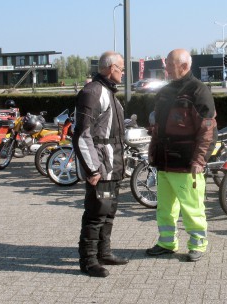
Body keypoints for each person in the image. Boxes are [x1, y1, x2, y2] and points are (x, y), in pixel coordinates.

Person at [146, 49, 217, 262]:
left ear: (184, 66)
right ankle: (167, 242)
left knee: (192, 208)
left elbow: (208, 130)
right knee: (165, 208)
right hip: (164, 162)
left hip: (186, 164)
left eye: (169, 64)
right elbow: (158, 124)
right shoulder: (166, 91)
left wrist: (199, 160)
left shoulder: (198, 91)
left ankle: (198, 245)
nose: (165, 67)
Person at [72, 51, 128, 278]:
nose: (123, 73)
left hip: (113, 164)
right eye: (121, 69)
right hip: (101, 166)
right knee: (95, 214)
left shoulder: (109, 92)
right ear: (110, 68)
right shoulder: (93, 92)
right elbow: (81, 135)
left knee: (109, 211)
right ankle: (88, 261)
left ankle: (103, 252)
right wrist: (92, 169)